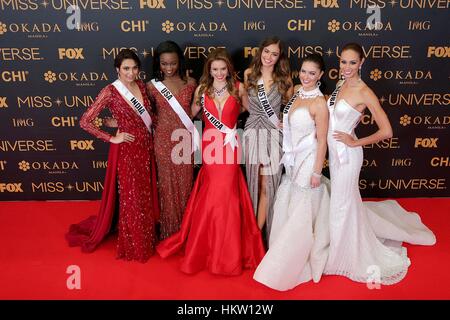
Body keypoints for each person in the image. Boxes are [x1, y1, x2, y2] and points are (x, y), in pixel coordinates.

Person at [325, 43, 436, 284]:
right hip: (334, 154)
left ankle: (341, 257)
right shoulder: (339, 84)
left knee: (341, 205)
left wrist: (355, 142)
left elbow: (386, 131)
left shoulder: (365, 91)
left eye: (352, 62)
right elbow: (335, 115)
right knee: (343, 202)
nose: (346, 67)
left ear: (362, 63)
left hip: (348, 155)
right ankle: (342, 245)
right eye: (343, 61)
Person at [157, 48, 265, 275]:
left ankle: (227, 252)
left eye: (223, 69)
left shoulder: (238, 88)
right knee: (213, 192)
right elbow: (193, 113)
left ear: (229, 69)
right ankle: (207, 248)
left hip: (230, 146)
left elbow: (247, 109)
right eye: (215, 69)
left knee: (227, 193)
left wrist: (233, 124)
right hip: (210, 145)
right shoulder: (202, 89)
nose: (219, 73)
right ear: (209, 70)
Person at [66, 49, 159, 263]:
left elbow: (149, 117)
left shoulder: (142, 86)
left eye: (135, 68)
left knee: (144, 195)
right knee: (131, 198)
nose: (131, 72)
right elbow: (85, 121)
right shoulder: (110, 91)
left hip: (146, 147)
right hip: (126, 150)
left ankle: (146, 237)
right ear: (118, 69)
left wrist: (119, 121)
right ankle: (134, 244)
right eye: (126, 68)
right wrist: (111, 138)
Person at [253, 54, 330, 291]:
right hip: (293, 158)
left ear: (321, 76)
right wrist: (282, 125)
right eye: (304, 71)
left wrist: (317, 172)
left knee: (301, 201)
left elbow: (322, 141)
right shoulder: (297, 90)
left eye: (312, 73)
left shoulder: (319, 103)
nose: (306, 77)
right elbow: (293, 123)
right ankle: (284, 248)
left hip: (308, 161)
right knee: (290, 200)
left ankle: (295, 256)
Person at [243, 36, 293, 243]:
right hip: (252, 131)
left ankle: (258, 237)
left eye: (274, 54)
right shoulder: (249, 75)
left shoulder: (285, 80)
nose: (269, 57)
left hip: (274, 135)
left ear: (279, 56)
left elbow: (290, 108)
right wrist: (257, 116)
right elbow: (245, 103)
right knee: (254, 182)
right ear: (260, 51)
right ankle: (253, 232)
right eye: (266, 52)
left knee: (268, 184)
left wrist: (283, 122)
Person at [146, 41, 197, 240]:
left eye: (173, 63)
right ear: (158, 63)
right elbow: (145, 114)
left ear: (180, 62)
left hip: (185, 139)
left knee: (186, 185)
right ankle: (170, 232)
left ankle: (187, 230)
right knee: (166, 186)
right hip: (163, 140)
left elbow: (196, 113)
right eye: (164, 64)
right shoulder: (151, 87)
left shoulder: (191, 83)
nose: (168, 68)